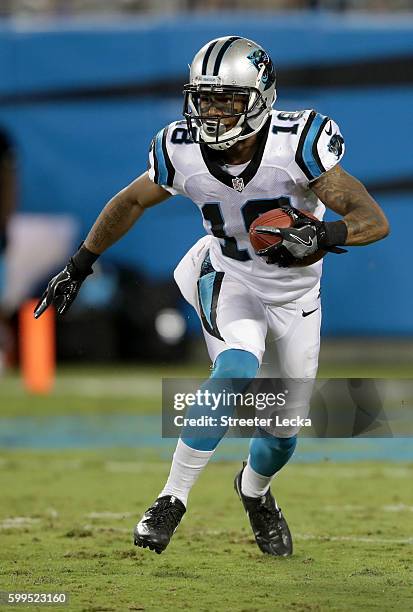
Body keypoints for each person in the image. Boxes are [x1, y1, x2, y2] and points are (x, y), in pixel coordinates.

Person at [34, 36, 389, 557]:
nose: (213, 112)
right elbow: (131, 201)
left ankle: (254, 490)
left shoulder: (298, 143)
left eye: (227, 99)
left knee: (282, 433)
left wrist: (325, 235)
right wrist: (78, 265)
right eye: (205, 98)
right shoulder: (180, 148)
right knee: (236, 369)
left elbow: (372, 221)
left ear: (261, 97)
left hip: (296, 298)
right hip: (228, 275)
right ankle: (170, 500)